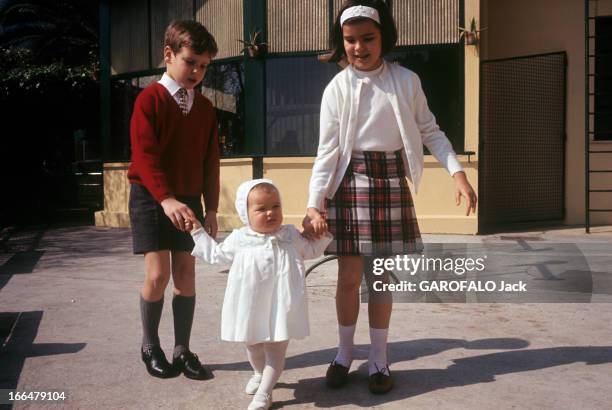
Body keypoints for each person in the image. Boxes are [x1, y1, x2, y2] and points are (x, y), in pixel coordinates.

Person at [303, 0, 478, 394]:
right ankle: (345, 353)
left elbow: (431, 130)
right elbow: (327, 152)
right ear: (341, 41)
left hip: (390, 182)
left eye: (368, 38)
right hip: (349, 184)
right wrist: (315, 203)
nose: (359, 47)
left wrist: (458, 174)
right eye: (350, 40)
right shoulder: (337, 88)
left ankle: (379, 359)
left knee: (379, 277)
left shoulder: (406, 80)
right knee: (347, 277)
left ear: (385, 38)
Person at [127, 20, 220, 380]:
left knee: (186, 275)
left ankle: (182, 349)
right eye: (191, 61)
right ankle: (150, 345)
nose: (197, 71)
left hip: (188, 199)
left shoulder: (206, 108)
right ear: (169, 55)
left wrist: (210, 208)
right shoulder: (149, 100)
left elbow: (211, 161)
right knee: (158, 274)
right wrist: (165, 200)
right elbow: (145, 157)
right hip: (152, 198)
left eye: (204, 66)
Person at [189, 179, 332, 410]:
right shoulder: (239, 238)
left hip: (282, 305)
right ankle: (258, 373)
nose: (270, 213)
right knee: (253, 344)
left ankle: (265, 393)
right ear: (245, 213)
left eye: (276, 206)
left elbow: (312, 250)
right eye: (261, 209)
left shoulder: (290, 235)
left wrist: (322, 232)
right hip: (250, 304)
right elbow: (216, 255)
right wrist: (197, 231)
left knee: (276, 348)